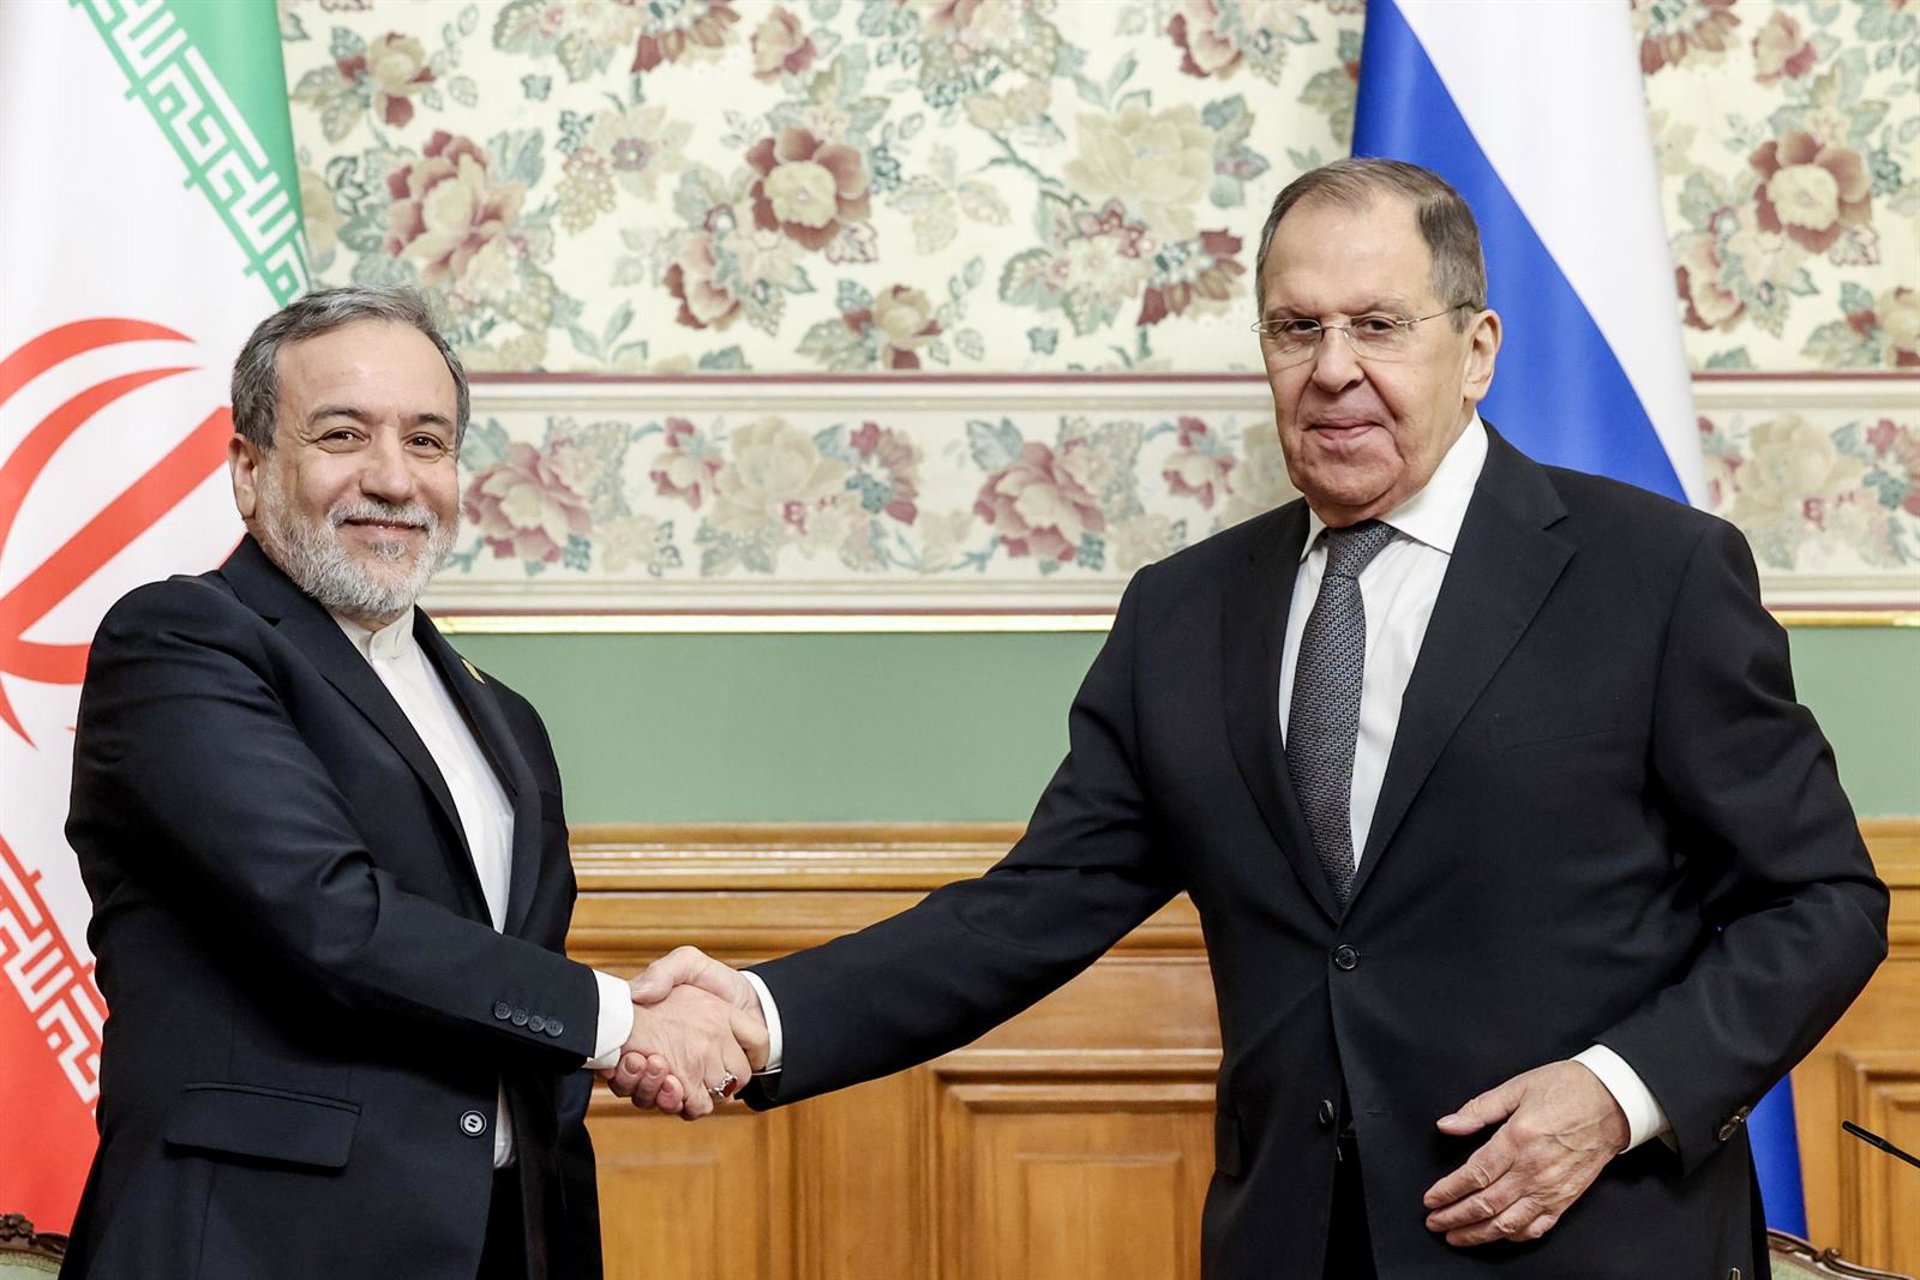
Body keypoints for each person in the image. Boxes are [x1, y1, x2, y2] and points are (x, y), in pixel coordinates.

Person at [612, 160, 1888, 1279]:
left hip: (1590, 1240)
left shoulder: (1652, 574)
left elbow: (1822, 899)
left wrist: (1616, 1093)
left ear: (1479, 348)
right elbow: (1027, 911)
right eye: (1296, 327)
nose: (1333, 368)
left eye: (1378, 324)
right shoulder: (1184, 613)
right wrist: (759, 1012)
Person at [61, 286, 759, 1280]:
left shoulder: (505, 718)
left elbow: (498, 985)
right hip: (256, 1246)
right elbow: (330, 919)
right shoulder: (179, 641)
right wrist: (622, 1023)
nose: (393, 478)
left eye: (427, 441)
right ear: (249, 469)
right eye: (343, 434)